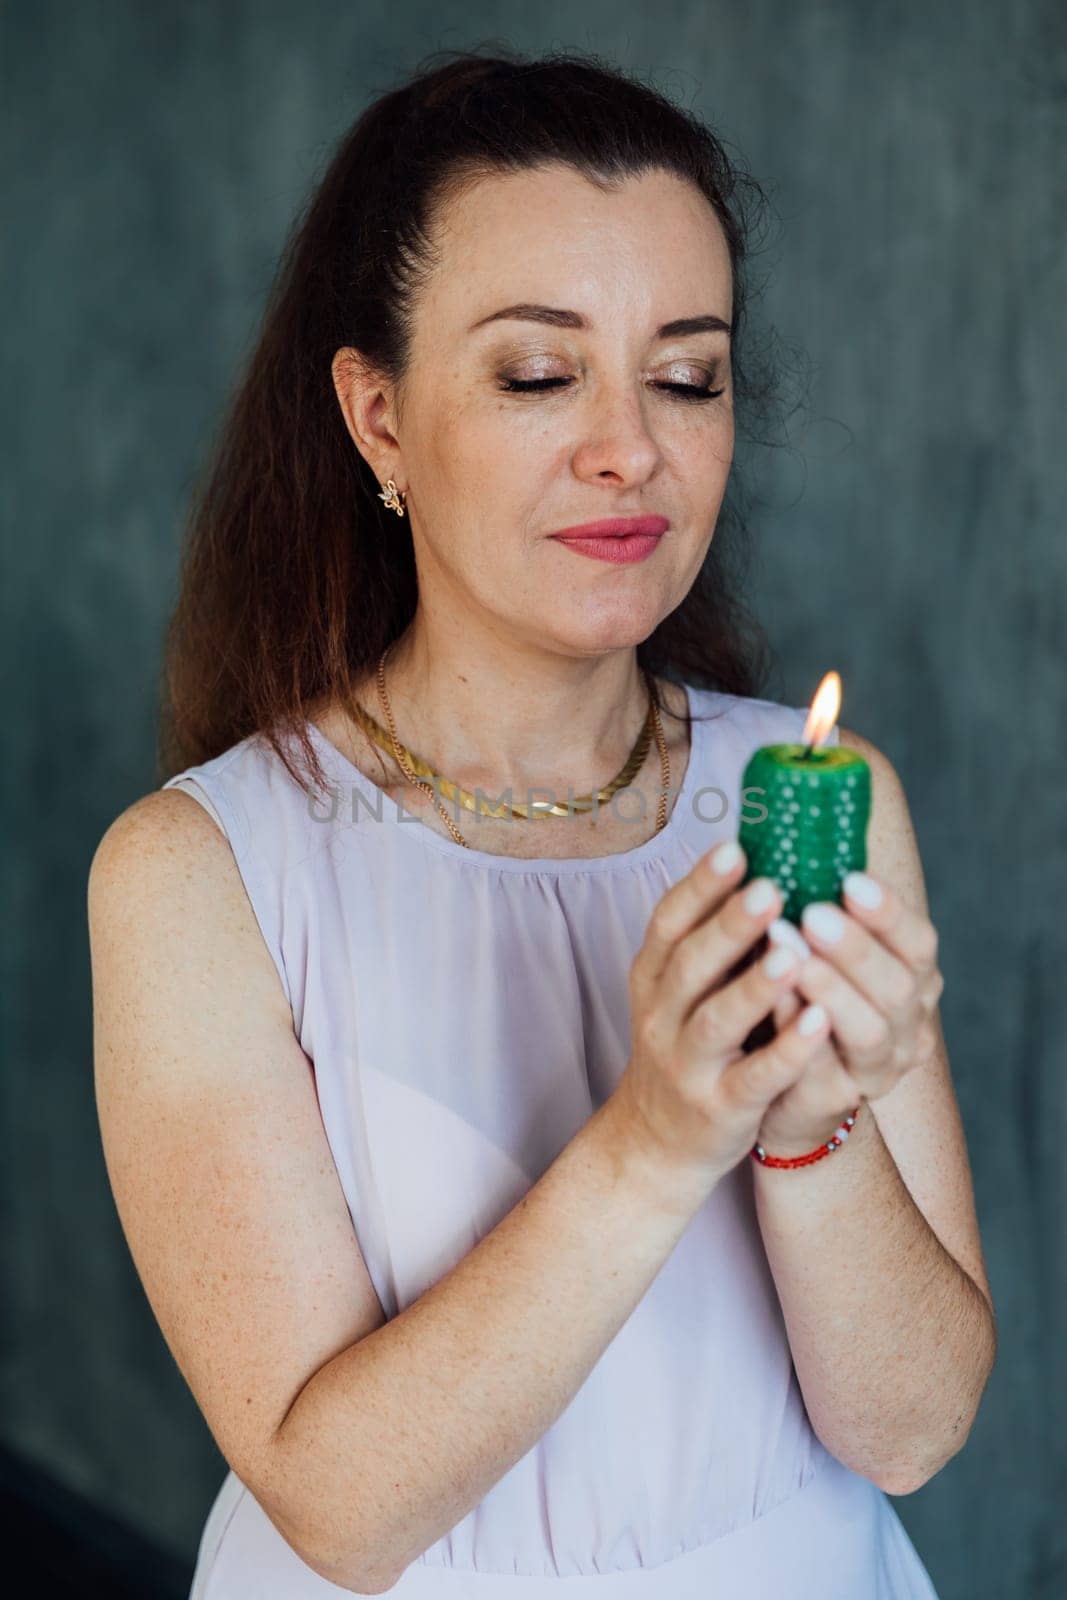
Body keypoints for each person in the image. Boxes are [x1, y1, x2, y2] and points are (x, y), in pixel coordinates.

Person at [87, 47, 995, 1599]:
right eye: (536, 372)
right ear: (378, 419)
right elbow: (344, 1512)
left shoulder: (817, 802)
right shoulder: (201, 871)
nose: (628, 447)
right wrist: (657, 1138)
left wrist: (809, 1128)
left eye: (686, 374)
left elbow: (909, 1434)